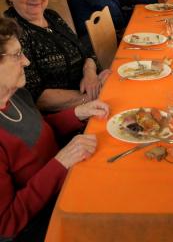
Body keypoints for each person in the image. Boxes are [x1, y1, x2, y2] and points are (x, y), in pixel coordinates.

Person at [0, 16, 109, 241]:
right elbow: (7, 225)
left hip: (67, 178)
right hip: (46, 219)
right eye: (17, 55)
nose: (27, 62)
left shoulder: (17, 95)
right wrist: (61, 163)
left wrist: (79, 113)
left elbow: (39, 130)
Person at [2, 0, 110, 111]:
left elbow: (85, 51)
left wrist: (90, 73)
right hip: (67, 117)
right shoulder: (12, 33)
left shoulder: (51, 16)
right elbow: (36, 97)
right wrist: (93, 96)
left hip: (92, 94)